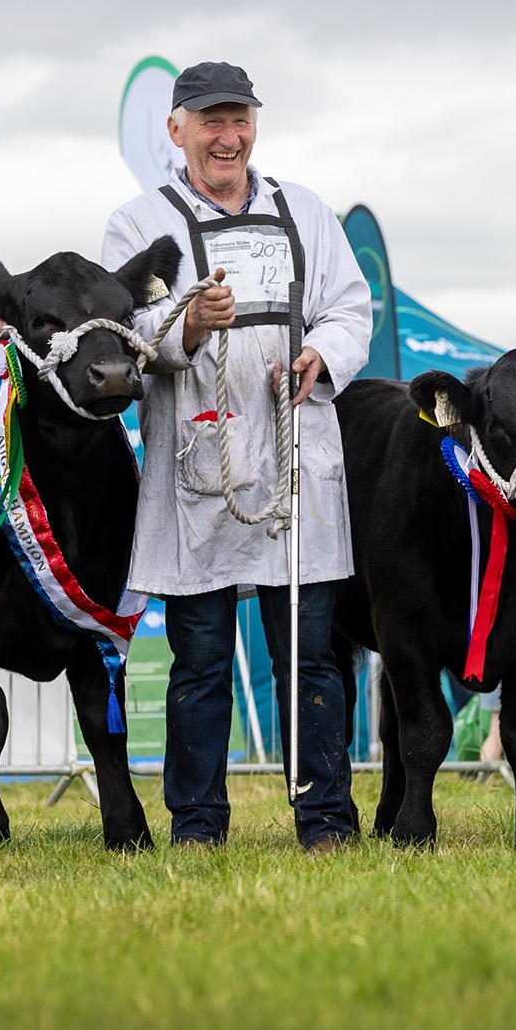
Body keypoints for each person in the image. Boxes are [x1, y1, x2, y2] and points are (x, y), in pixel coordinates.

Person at [100, 61, 370, 851]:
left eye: (239, 120)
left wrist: (322, 352)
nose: (228, 137)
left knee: (311, 658)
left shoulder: (305, 211)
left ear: (255, 125)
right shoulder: (138, 224)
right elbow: (125, 334)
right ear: (176, 130)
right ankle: (198, 825)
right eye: (210, 122)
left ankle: (326, 819)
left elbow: (350, 308)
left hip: (295, 457)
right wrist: (188, 326)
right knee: (201, 659)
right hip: (201, 465)